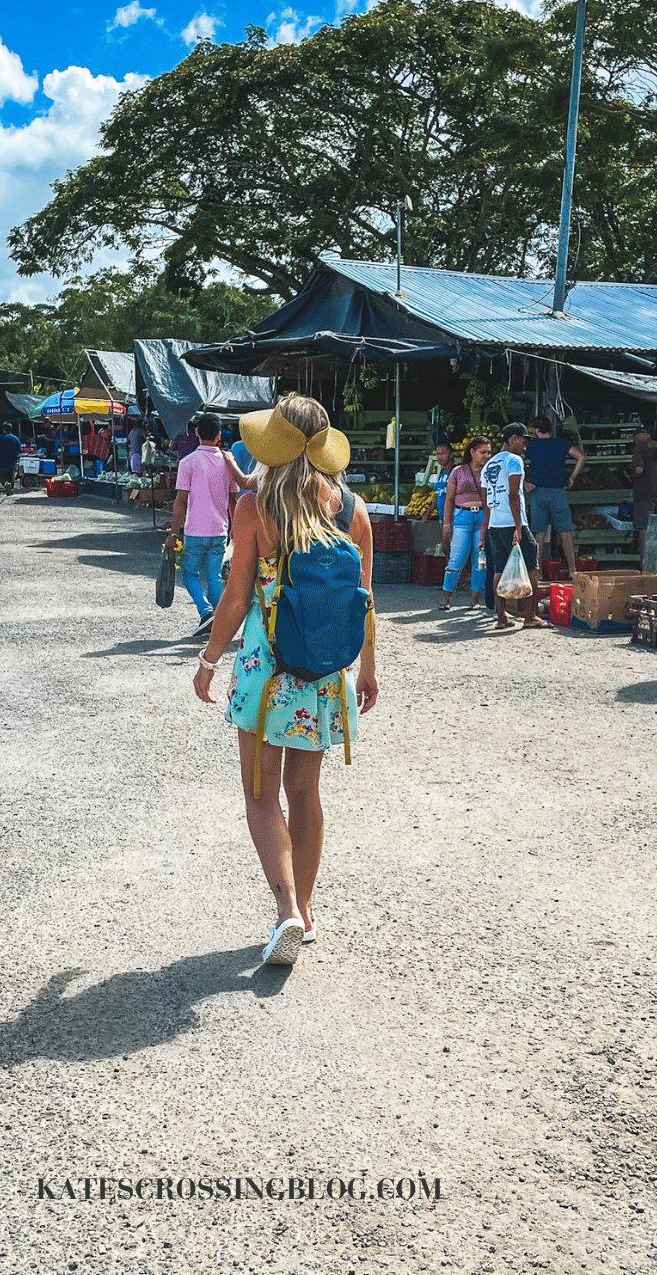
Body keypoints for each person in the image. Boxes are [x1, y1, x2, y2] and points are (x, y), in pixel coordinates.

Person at [193, 394, 379, 964]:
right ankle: (310, 911)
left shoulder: (257, 508)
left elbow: (235, 596)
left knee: (260, 794)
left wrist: (207, 661)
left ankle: (286, 912)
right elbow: (367, 601)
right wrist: (368, 668)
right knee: (305, 793)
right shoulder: (352, 509)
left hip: (267, 673)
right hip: (325, 674)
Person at [164, 414, 238, 635]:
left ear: (196, 433)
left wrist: (173, 533)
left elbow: (180, 502)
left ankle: (206, 612)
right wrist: (235, 528)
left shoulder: (188, 463)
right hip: (220, 530)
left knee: (190, 574)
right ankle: (218, 623)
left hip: (194, 530)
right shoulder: (228, 462)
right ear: (218, 436)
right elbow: (234, 501)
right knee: (214, 577)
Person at [480, 422, 548, 630]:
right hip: (512, 522)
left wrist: (487, 526)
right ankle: (530, 616)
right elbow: (512, 494)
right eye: (523, 441)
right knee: (532, 567)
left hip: (495, 525)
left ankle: (501, 617)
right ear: (513, 440)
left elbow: (485, 500)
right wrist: (519, 526)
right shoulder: (514, 461)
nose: (525, 447)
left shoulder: (487, 465)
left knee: (498, 570)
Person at [524, 416, 585, 578]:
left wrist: (524, 482)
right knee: (565, 532)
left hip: (538, 493)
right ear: (550, 429)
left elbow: (516, 462)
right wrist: (572, 477)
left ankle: (537, 573)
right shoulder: (561, 443)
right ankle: (573, 570)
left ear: (537, 431)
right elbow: (581, 457)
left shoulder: (531, 446)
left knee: (539, 534)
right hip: (558, 493)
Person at [440, 436, 492, 610]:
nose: (486, 455)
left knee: (480, 561)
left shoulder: (490, 471)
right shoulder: (458, 471)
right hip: (462, 517)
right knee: (456, 559)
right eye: (482, 452)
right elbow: (449, 499)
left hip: (483, 518)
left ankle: (474, 600)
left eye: (488, 452)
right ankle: (446, 598)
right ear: (472, 452)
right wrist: (447, 524)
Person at [630, 425, 657, 562]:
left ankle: (645, 563)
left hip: (645, 493)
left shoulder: (639, 447)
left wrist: (630, 475)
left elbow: (639, 470)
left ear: (635, 437)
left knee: (644, 528)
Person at [422, 441, 457, 522]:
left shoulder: (455, 472)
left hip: (454, 518)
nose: (440, 457)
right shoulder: (441, 473)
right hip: (442, 517)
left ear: (451, 455)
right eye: (437, 454)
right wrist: (428, 512)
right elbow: (439, 495)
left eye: (443, 453)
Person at [0, 428, 22, 493]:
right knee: (11, 476)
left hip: (2, 461)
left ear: (3, 429)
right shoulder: (16, 439)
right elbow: (19, 450)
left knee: (0, 475)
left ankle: (6, 484)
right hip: (12, 461)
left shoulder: (0, 438)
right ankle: (11, 489)